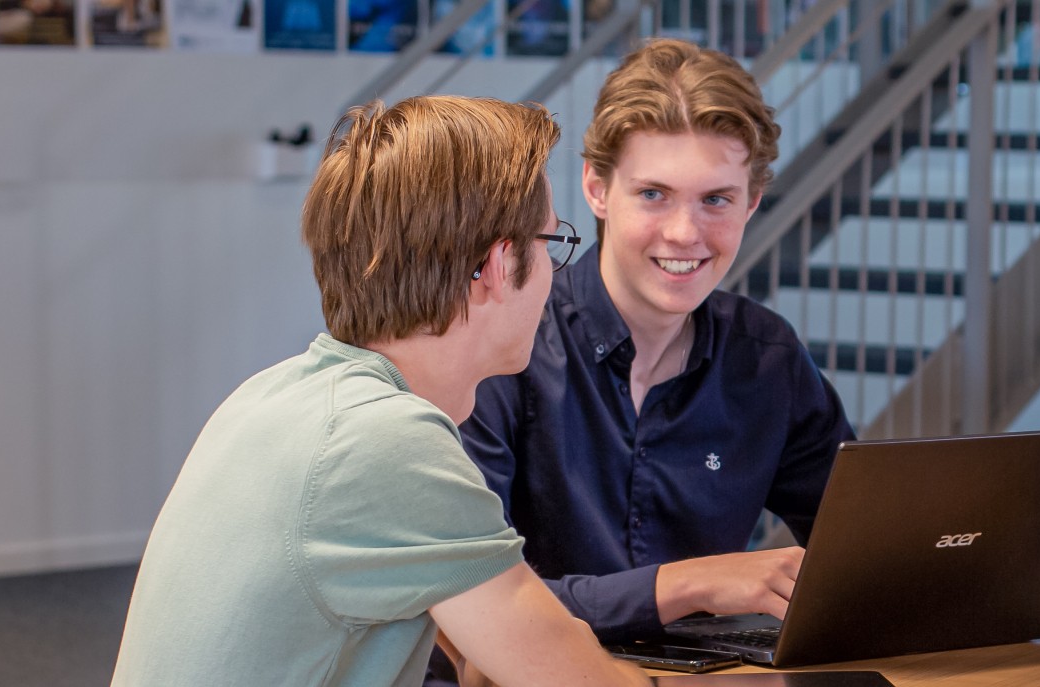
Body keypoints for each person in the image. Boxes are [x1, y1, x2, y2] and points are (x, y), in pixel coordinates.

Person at [112, 95, 645, 687]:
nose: (553, 272)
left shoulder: (273, 397)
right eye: (551, 243)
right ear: (498, 265)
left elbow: (480, 660)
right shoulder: (387, 443)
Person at [456, 38, 854, 643]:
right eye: (653, 194)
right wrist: (686, 585)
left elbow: (861, 550)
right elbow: (472, 600)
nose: (684, 232)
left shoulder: (767, 357)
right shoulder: (505, 347)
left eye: (716, 199)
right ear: (596, 188)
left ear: (751, 203)